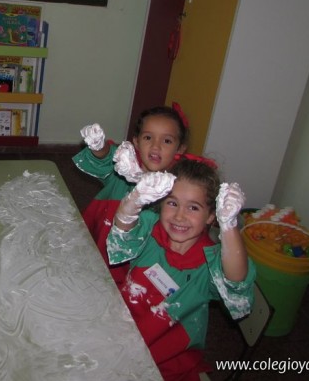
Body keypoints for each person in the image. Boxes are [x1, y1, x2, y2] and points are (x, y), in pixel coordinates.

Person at [107, 159, 256, 381]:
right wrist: (134, 199)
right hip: (120, 328)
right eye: (172, 203)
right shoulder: (150, 228)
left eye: (193, 207)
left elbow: (236, 281)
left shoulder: (212, 263)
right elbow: (122, 231)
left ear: (211, 215)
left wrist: (229, 225)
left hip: (165, 359)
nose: (179, 216)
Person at [73, 104, 189, 286]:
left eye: (167, 141)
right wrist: (99, 146)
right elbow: (105, 158)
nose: (155, 146)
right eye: (148, 137)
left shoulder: (177, 188)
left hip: (139, 261)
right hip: (102, 241)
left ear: (180, 148)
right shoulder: (124, 166)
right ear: (136, 141)